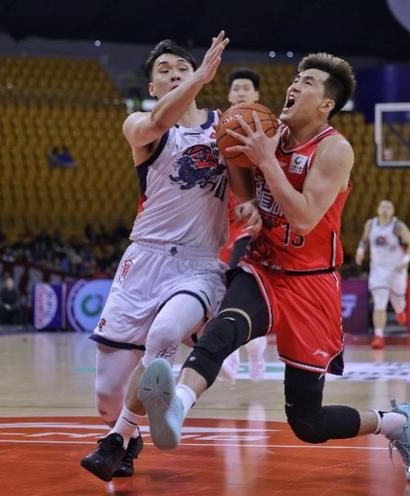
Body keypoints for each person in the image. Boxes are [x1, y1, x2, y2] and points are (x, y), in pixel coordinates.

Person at [137, 52, 410, 483]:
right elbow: (236, 164)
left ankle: (397, 422)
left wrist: (266, 159)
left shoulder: (334, 149)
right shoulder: (266, 128)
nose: (294, 86)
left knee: (308, 423)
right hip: (263, 267)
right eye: (296, 78)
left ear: (326, 104)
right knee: (223, 331)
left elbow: (305, 217)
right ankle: (176, 408)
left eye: (308, 82)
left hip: (311, 284)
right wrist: (248, 201)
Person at [80, 33, 260, 482]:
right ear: (153, 86)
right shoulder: (140, 124)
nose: (175, 74)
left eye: (183, 67)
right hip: (143, 260)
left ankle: (116, 439)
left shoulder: (223, 127)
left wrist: (247, 204)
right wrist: (199, 78)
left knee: (164, 333)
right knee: (105, 395)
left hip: (198, 264)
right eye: (165, 71)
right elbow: (159, 120)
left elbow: (242, 191)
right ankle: (127, 433)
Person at [219, 67, 267, 384]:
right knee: (221, 288)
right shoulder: (216, 127)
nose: (240, 92)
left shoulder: (267, 129)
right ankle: (253, 350)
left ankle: (232, 352)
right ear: (228, 95)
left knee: (235, 286)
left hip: (252, 222)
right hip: (220, 222)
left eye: (245, 88)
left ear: (256, 95)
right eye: (235, 88)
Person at [355, 200, 410, 349]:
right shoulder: (371, 224)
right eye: (382, 206)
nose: (385, 209)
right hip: (378, 269)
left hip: (396, 268)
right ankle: (378, 336)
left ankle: (400, 310)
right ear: (377, 209)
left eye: (388, 207)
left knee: (398, 300)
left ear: (393, 211)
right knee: (379, 303)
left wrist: (406, 260)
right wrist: (360, 250)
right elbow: (364, 239)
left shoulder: (398, 226)